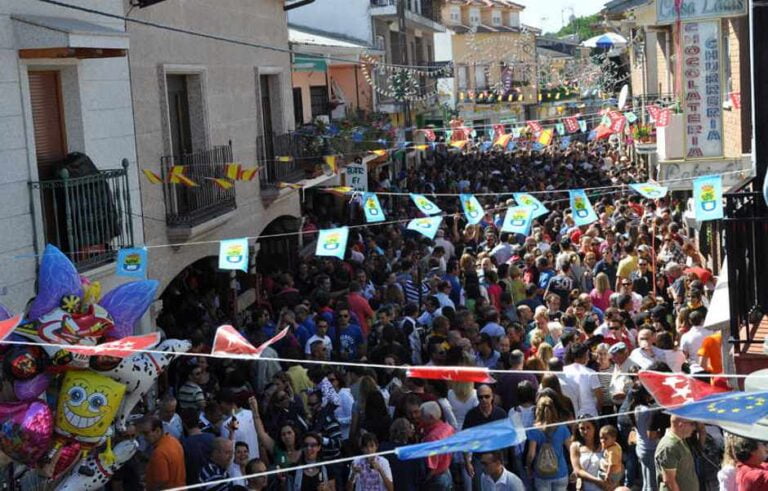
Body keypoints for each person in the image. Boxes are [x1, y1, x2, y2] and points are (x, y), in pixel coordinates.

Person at [462, 384, 506, 488]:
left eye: (487, 396)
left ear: (492, 397)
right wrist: (467, 462)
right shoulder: (471, 415)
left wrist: (504, 460)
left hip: (497, 458)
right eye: (480, 397)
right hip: (479, 459)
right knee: (478, 486)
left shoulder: (500, 414)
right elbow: (464, 439)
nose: (484, 400)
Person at [526, 395, 572, 490]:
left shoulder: (534, 429)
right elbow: (571, 449)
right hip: (561, 472)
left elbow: (531, 454)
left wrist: (528, 467)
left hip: (542, 474)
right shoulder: (562, 427)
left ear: (538, 410)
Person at [139, 415, 186, 490]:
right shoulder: (173, 441)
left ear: (158, 431)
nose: (144, 437)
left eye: (146, 433)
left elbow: (161, 481)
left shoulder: (159, 453)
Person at [654, 415, 699, 491]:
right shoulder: (669, 447)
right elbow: (669, 481)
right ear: (681, 425)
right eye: (692, 424)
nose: (694, 428)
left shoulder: (680, 439)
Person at [420, 401, 455, 489]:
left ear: (431, 417)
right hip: (447, 472)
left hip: (437, 479)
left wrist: (424, 481)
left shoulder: (432, 438)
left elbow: (432, 467)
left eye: (422, 416)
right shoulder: (448, 428)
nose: (420, 419)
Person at [563, 343, 603, 418]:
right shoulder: (590, 373)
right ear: (585, 355)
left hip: (572, 416)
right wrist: (599, 410)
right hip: (590, 415)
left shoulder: (564, 371)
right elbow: (599, 396)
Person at [220, 388, 261, 461]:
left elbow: (228, 450)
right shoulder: (251, 414)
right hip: (256, 463)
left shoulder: (226, 425)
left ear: (223, 403)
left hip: (239, 468)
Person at [569, 417, 608, 491]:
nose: (585, 431)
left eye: (588, 428)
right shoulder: (575, 446)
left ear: (594, 428)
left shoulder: (603, 444)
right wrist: (597, 481)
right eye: (582, 428)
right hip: (585, 488)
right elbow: (578, 471)